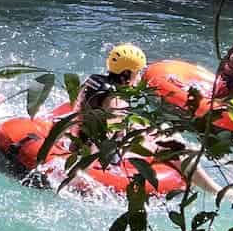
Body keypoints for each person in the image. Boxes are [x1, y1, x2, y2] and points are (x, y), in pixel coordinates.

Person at [79, 43, 224, 196]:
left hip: (84, 137)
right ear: (127, 73)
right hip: (110, 156)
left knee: (163, 129)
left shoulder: (93, 82)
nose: (139, 77)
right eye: (138, 72)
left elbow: (80, 111)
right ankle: (215, 190)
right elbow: (109, 138)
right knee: (176, 148)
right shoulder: (117, 101)